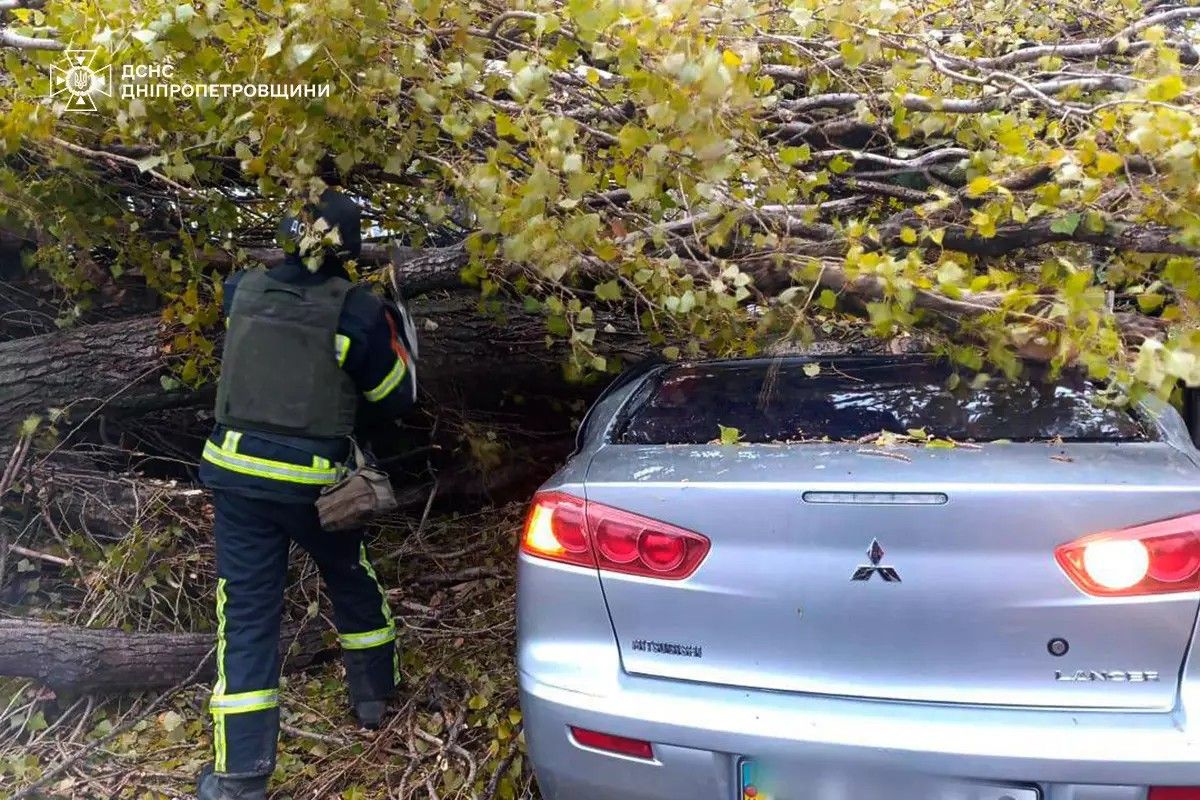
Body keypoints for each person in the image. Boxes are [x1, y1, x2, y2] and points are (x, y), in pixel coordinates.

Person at [195, 188, 417, 800]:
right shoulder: (357, 310)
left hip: (236, 478)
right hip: (318, 488)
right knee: (350, 578)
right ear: (351, 248)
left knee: (244, 618)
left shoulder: (242, 289)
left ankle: (240, 776)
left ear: (291, 234)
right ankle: (373, 694)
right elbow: (395, 396)